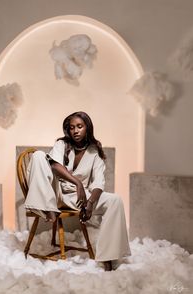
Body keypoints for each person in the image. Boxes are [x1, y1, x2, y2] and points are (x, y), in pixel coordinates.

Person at [25, 111, 131, 271]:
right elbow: (54, 166)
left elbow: (98, 183)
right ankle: (47, 208)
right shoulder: (62, 144)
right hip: (55, 192)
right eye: (72, 127)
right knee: (39, 155)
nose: (75, 130)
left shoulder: (95, 151)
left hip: (78, 198)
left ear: (87, 127)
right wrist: (78, 183)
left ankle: (108, 256)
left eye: (79, 126)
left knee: (115, 200)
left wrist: (90, 203)